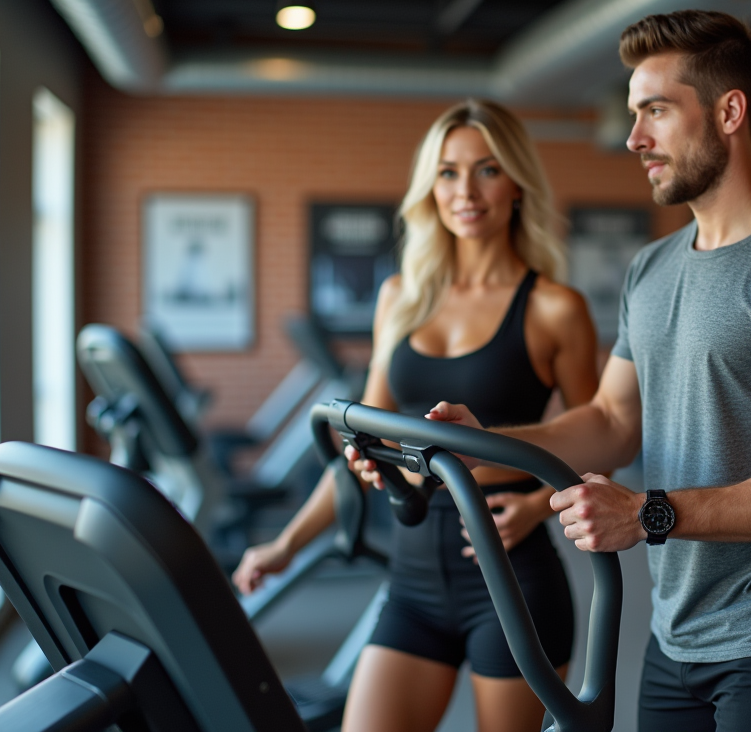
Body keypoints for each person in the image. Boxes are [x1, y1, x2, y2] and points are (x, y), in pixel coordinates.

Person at [426, 11, 751, 732]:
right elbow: (611, 424)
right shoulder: (653, 266)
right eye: (635, 114)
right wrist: (483, 447)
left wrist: (648, 514)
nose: (635, 138)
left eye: (657, 112)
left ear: (730, 111)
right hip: (676, 639)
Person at [232, 98, 599, 732]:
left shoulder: (553, 308)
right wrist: (287, 543)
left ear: (516, 182)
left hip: (510, 579)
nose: (466, 190)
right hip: (413, 582)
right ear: (430, 186)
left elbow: (601, 438)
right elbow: (361, 441)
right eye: (448, 172)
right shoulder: (401, 296)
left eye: (487, 170)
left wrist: (540, 505)